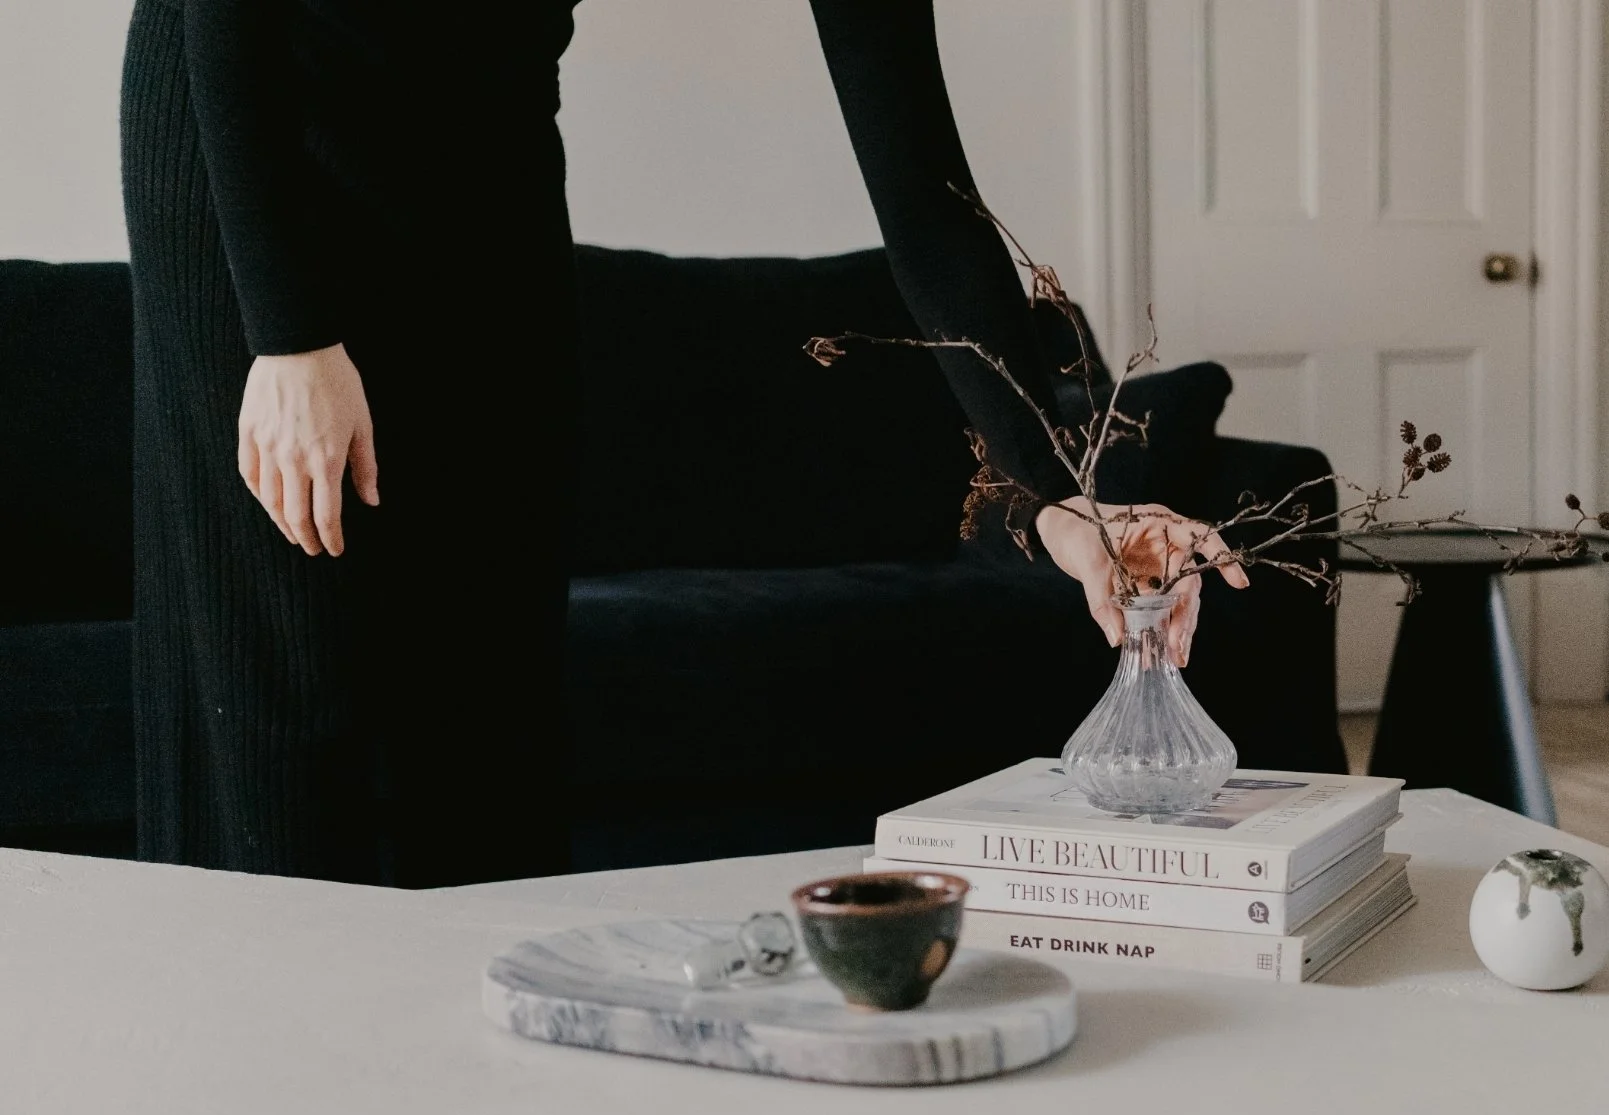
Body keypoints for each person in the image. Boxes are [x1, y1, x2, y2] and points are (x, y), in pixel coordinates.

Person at [119, 0, 1242, 886]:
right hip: (255, 121)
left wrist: (1060, 491)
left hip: (488, 140)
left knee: (492, 688)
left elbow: (925, 192)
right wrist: (288, 334)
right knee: (295, 675)